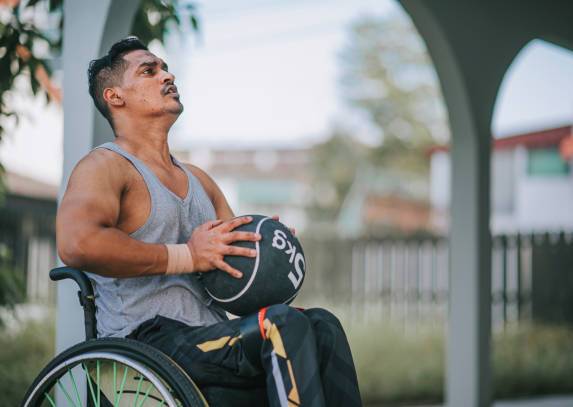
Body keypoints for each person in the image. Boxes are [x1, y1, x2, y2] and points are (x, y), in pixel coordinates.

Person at [56, 37, 362, 407]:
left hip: (211, 336)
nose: (167, 75)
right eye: (149, 71)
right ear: (115, 96)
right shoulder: (104, 166)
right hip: (148, 340)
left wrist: (263, 254)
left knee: (321, 325)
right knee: (280, 326)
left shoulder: (200, 180)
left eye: (165, 68)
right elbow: (77, 243)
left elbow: (239, 285)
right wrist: (188, 256)